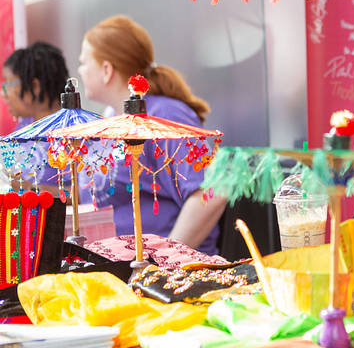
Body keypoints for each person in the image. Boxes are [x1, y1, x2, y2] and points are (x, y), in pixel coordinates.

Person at [77, 15, 226, 255]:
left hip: (167, 276)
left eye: (84, 63)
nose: (80, 71)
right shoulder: (109, 119)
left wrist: (165, 260)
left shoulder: (164, 115)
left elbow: (213, 191)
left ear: (106, 70)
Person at [2, 42, 70, 192]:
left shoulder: (70, 131)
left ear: (34, 87)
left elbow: (86, 192)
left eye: (8, 84)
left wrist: (29, 189)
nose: (3, 93)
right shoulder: (25, 125)